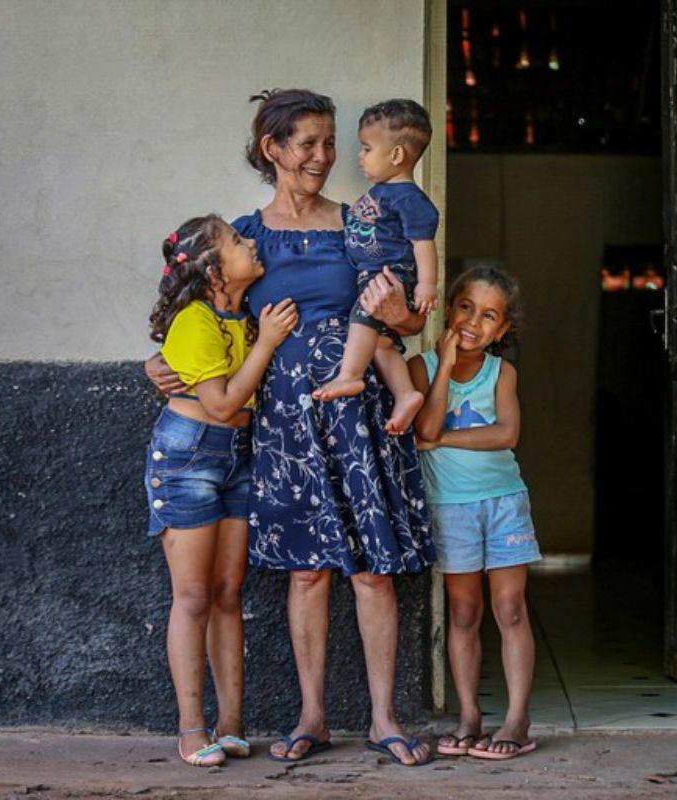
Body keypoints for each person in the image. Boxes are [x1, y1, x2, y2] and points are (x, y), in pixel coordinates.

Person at [146, 89, 436, 767]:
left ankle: (385, 718)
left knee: (373, 573)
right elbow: (203, 314)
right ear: (273, 149)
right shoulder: (247, 236)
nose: (323, 156)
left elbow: (412, 320)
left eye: (331, 142)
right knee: (307, 574)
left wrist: (399, 316)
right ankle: (312, 716)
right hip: (283, 420)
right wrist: (159, 361)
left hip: (360, 408)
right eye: (307, 143)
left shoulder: (364, 218)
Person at [144, 214, 299, 766]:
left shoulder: (240, 314)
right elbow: (223, 403)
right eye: (237, 242)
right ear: (214, 271)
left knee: (229, 591)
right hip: (189, 455)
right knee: (192, 596)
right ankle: (191, 729)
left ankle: (232, 723)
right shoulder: (195, 320)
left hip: (237, 456)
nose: (250, 242)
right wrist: (271, 340)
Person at [410, 266, 541, 761]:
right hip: (451, 508)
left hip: (504, 501)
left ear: (502, 330)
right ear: (449, 309)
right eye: (466, 307)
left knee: (510, 609)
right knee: (463, 612)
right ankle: (468, 714)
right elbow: (423, 420)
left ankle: (517, 717)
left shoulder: (502, 372)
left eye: (489, 316)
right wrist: (443, 365)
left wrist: (441, 439)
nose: (473, 322)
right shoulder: (420, 368)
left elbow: (505, 434)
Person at [312, 99, 439, 441]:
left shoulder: (411, 199)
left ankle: (349, 374)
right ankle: (406, 393)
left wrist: (427, 284)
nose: (360, 156)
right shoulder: (383, 192)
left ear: (396, 155)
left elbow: (423, 244)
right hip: (374, 271)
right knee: (382, 342)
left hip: (389, 274)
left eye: (367, 148)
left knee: (364, 316)